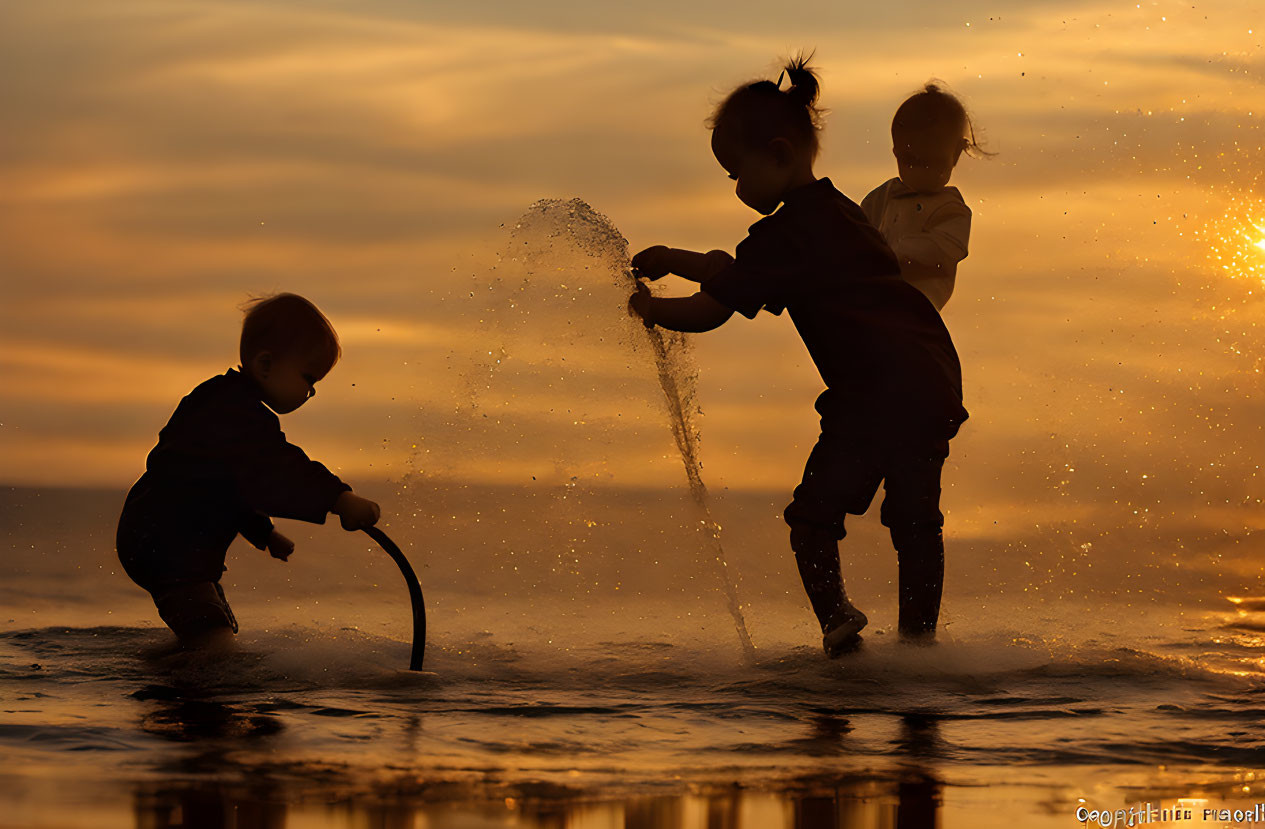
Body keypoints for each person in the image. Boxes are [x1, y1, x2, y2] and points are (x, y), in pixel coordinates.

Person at [628, 55, 968, 656]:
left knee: (812, 521)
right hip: (927, 376)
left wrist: (653, 304)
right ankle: (920, 647)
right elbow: (731, 278)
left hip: (876, 393)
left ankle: (839, 630)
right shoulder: (844, 214)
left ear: (781, 155)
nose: (735, 188)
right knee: (915, 520)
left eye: (736, 173)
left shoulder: (790, 236)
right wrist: (682, 267)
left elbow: (712, 307)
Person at [116, 293, 381, 648]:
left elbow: (224, 486)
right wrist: (338, 497)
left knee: (212, 623)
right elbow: (276, 468)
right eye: (308, 378)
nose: (311, 393)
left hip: (165, 537)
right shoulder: (233, 414)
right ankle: (198, 669)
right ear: (266, 364)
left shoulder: (224, 404)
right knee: (213, 640)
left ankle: (177, 665)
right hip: (168, 543)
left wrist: (263, 531)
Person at [860, 82, 987, 311]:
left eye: (932, 162)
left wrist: (887, 259)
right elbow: (855, 234)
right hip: (873, 303)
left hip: (916, 313)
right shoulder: (880, 198)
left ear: (955, 155)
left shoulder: (951, 210)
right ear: (896, 153)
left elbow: (937, 251)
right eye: (911, 161)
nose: (921, 172)